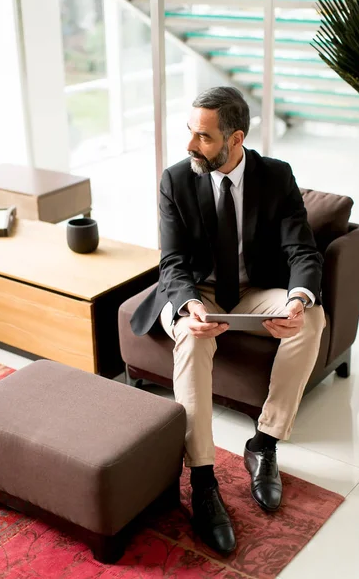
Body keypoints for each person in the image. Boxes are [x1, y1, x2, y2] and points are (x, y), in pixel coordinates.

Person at [130, 86, 325, 556]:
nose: (191, 146)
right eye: (191, 133)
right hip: (201, 291)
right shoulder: (175, 180)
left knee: (312, 320)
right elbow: (172, 260)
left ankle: (265, 442)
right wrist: (187, 303)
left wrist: (297, 299)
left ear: (235, 138)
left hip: (256, 289)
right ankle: (201, 479)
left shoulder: (276, 177)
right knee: (192, 341)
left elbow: (303, 251)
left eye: (204, 137)